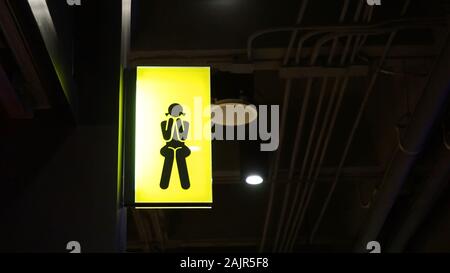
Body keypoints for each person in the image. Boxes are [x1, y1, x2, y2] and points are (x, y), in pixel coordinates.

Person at [160, 103, 191, 190]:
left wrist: (178, 123)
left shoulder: (185, 123)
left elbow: (183, 137)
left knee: (179, 154)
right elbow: (166, 136)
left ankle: (185, 184)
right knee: (169, 155)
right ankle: (164, 184)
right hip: (169, 147)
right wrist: (170, 123)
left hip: (181, 147)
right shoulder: (164, 123)